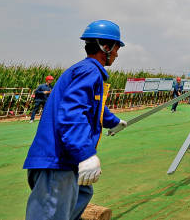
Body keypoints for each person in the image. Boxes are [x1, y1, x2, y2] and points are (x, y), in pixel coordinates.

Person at [23, 20, 127, 220]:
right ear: (105, 47)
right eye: (115, 48)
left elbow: (93, 106)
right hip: (57, 163)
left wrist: (113, 120)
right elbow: (72, 112)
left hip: (63, 163)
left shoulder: (85, 71)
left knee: (84, 192)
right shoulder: (90, 71)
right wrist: (85, 154)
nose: (117, 53)